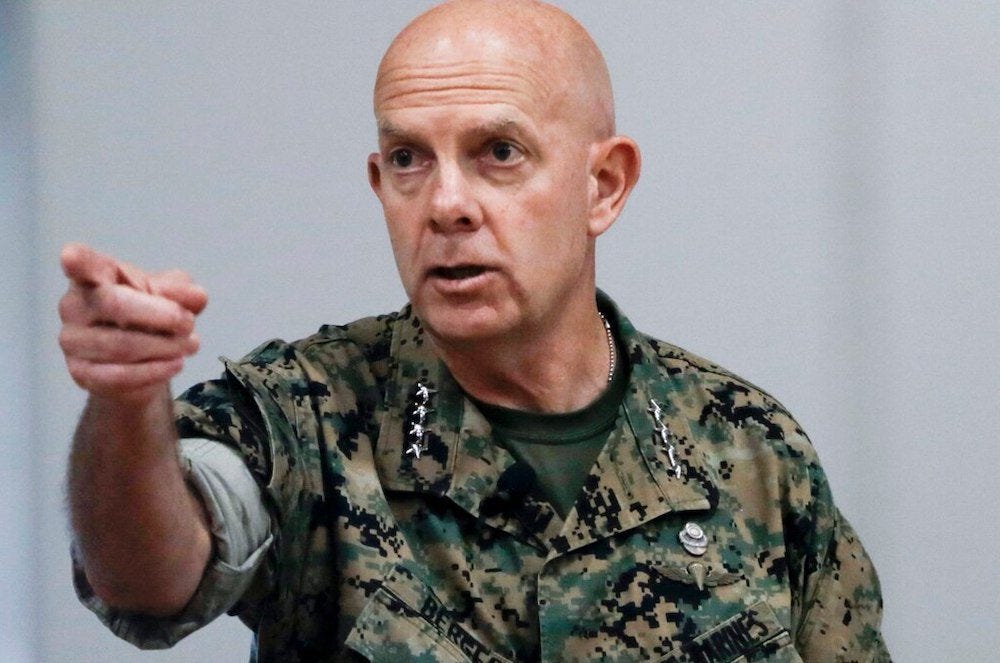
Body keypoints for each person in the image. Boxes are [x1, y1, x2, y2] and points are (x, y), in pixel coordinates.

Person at [59, 1, 891, 661]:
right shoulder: (308, 417)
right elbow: (147, 574)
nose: (446, 204)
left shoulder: (747, 448)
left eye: (498, 152)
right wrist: (127, 401)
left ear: (604, 185)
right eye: (409, 159)